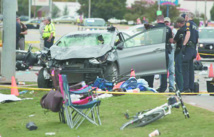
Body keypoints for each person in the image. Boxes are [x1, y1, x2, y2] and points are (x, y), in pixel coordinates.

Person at [154, 15, 173, 92]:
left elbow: (150, 39)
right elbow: (171, 40)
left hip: (155, 51)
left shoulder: (154, 28)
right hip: (164, 51)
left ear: (157, 20)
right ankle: (163, 87)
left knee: (151, 69)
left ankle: (149, 85)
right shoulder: (168, 29)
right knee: (164, 71)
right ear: (163, 20)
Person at [181, 13, 198, 92]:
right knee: (191, 68)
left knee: (185, 67)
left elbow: (188, 33)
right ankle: (191, 87)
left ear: (187, 17)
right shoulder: (195, 25)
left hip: (188, 47)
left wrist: (184, 44)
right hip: (193, 48)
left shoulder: (188, 23)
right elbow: (197, 37)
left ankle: (186, 87)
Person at [173, 17, 186, 92]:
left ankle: (180, 88)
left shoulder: (180, 31)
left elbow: (174, 41)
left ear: (179, 23)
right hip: (186, 52)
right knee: (184, 70)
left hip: (179, 51)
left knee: (178, 70)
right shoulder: (187, 30)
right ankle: (185, 86)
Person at [164, 17, 176, 92]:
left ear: (170, 22)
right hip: (164, 49)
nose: (166, 23)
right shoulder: (162, 30)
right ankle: (163, 86)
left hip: (171, 50)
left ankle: (171, 86)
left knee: (171, 69)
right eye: (165, 22)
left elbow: (174, 41)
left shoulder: (173, 30)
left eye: (167, 22)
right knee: (163, 70)